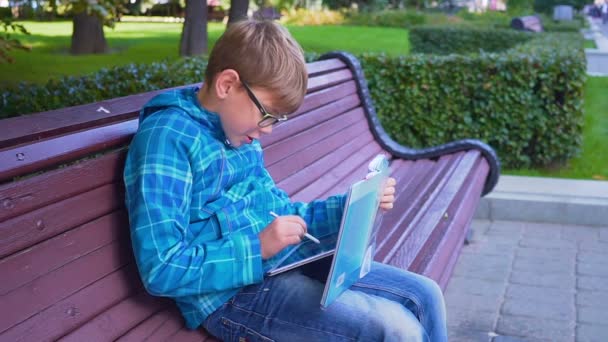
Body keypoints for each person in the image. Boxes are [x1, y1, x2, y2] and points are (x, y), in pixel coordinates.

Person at [123, 19, 448, 342]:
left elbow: (281, 212)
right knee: (393, 328)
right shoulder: (168, 139)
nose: (268, 130)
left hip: (283, 263)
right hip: (232, 297)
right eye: (267, 115)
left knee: (424, 295)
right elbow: (160, 267)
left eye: (277, 120)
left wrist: (351, 208)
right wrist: (257, 248)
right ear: (227, 85)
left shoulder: (238, 133)